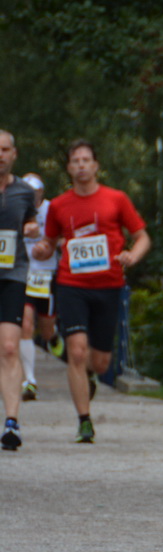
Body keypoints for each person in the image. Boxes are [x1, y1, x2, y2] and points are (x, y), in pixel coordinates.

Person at [39, 140, 150, 444]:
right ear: (69, 168)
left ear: (96, 165)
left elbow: (141, 237)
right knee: (76, 351)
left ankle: (88, 375)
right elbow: (49, 242)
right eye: (75, 161)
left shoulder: (116, 199)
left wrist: (132, 256)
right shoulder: (59, 205)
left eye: (86, 160)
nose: (81, 165)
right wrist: (41, 248)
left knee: (100, 362)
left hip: (109, 286)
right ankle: (84, 421)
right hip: (71, 285)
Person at [0, 130, 39, 452]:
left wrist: (31, 228)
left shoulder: (25, 192)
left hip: (12, 275)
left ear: (14, 154)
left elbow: (31, 223)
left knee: (10, 347)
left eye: (4, 149)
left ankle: (11, 422)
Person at [19, 173, 54, 401]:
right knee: (26, 324)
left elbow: (64, 238)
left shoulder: (52, 210)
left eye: (35, 192)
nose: (32, 197)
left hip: (48, 275)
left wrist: (47, 244)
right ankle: (29, 380)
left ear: (42, 192)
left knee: (47, 330)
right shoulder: (14, 209)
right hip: (23, 275)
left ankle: (55, 338)